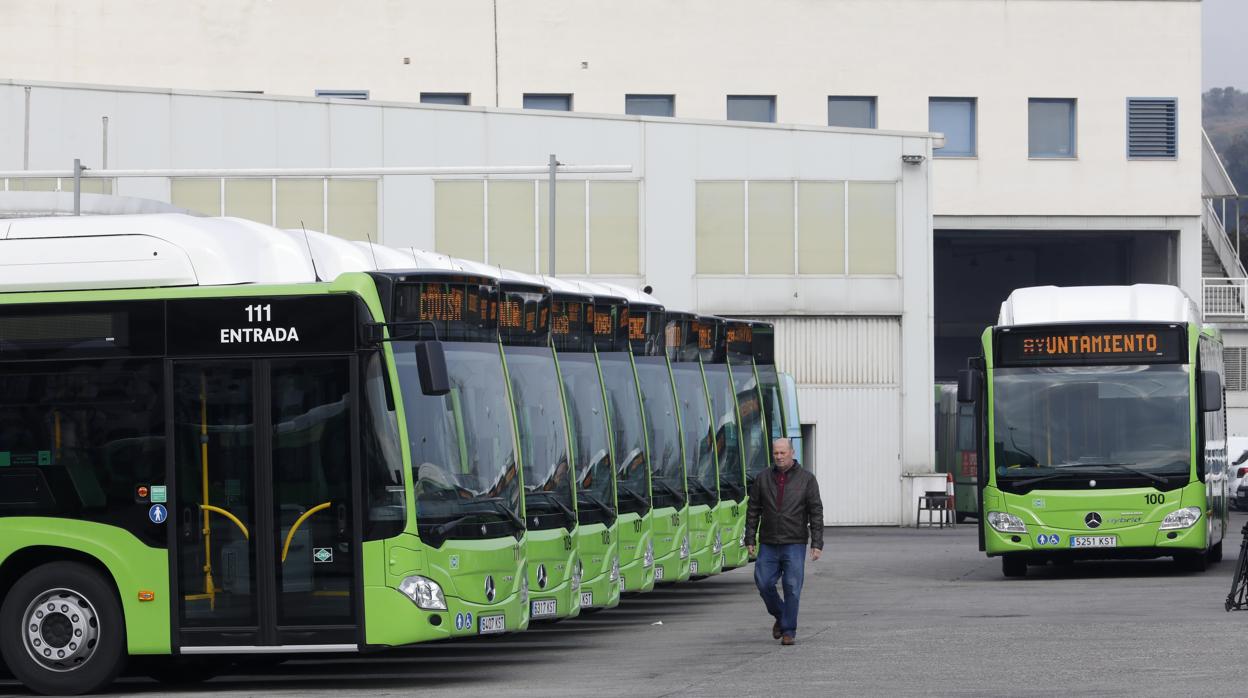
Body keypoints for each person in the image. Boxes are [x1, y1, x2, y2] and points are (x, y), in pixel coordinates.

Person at [745, 437, 823, 646]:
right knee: (763, 583)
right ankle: (781, 615)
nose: (779, 457)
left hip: (794, 542)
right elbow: (753, 510)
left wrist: (817, 543)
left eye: (783, 453)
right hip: (769, 542)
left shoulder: (807, 479)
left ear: (792, 452)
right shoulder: (762, 478)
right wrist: (750, 537)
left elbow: (816, 511)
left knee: (792, 586)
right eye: (776, 453)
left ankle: (789, 630)